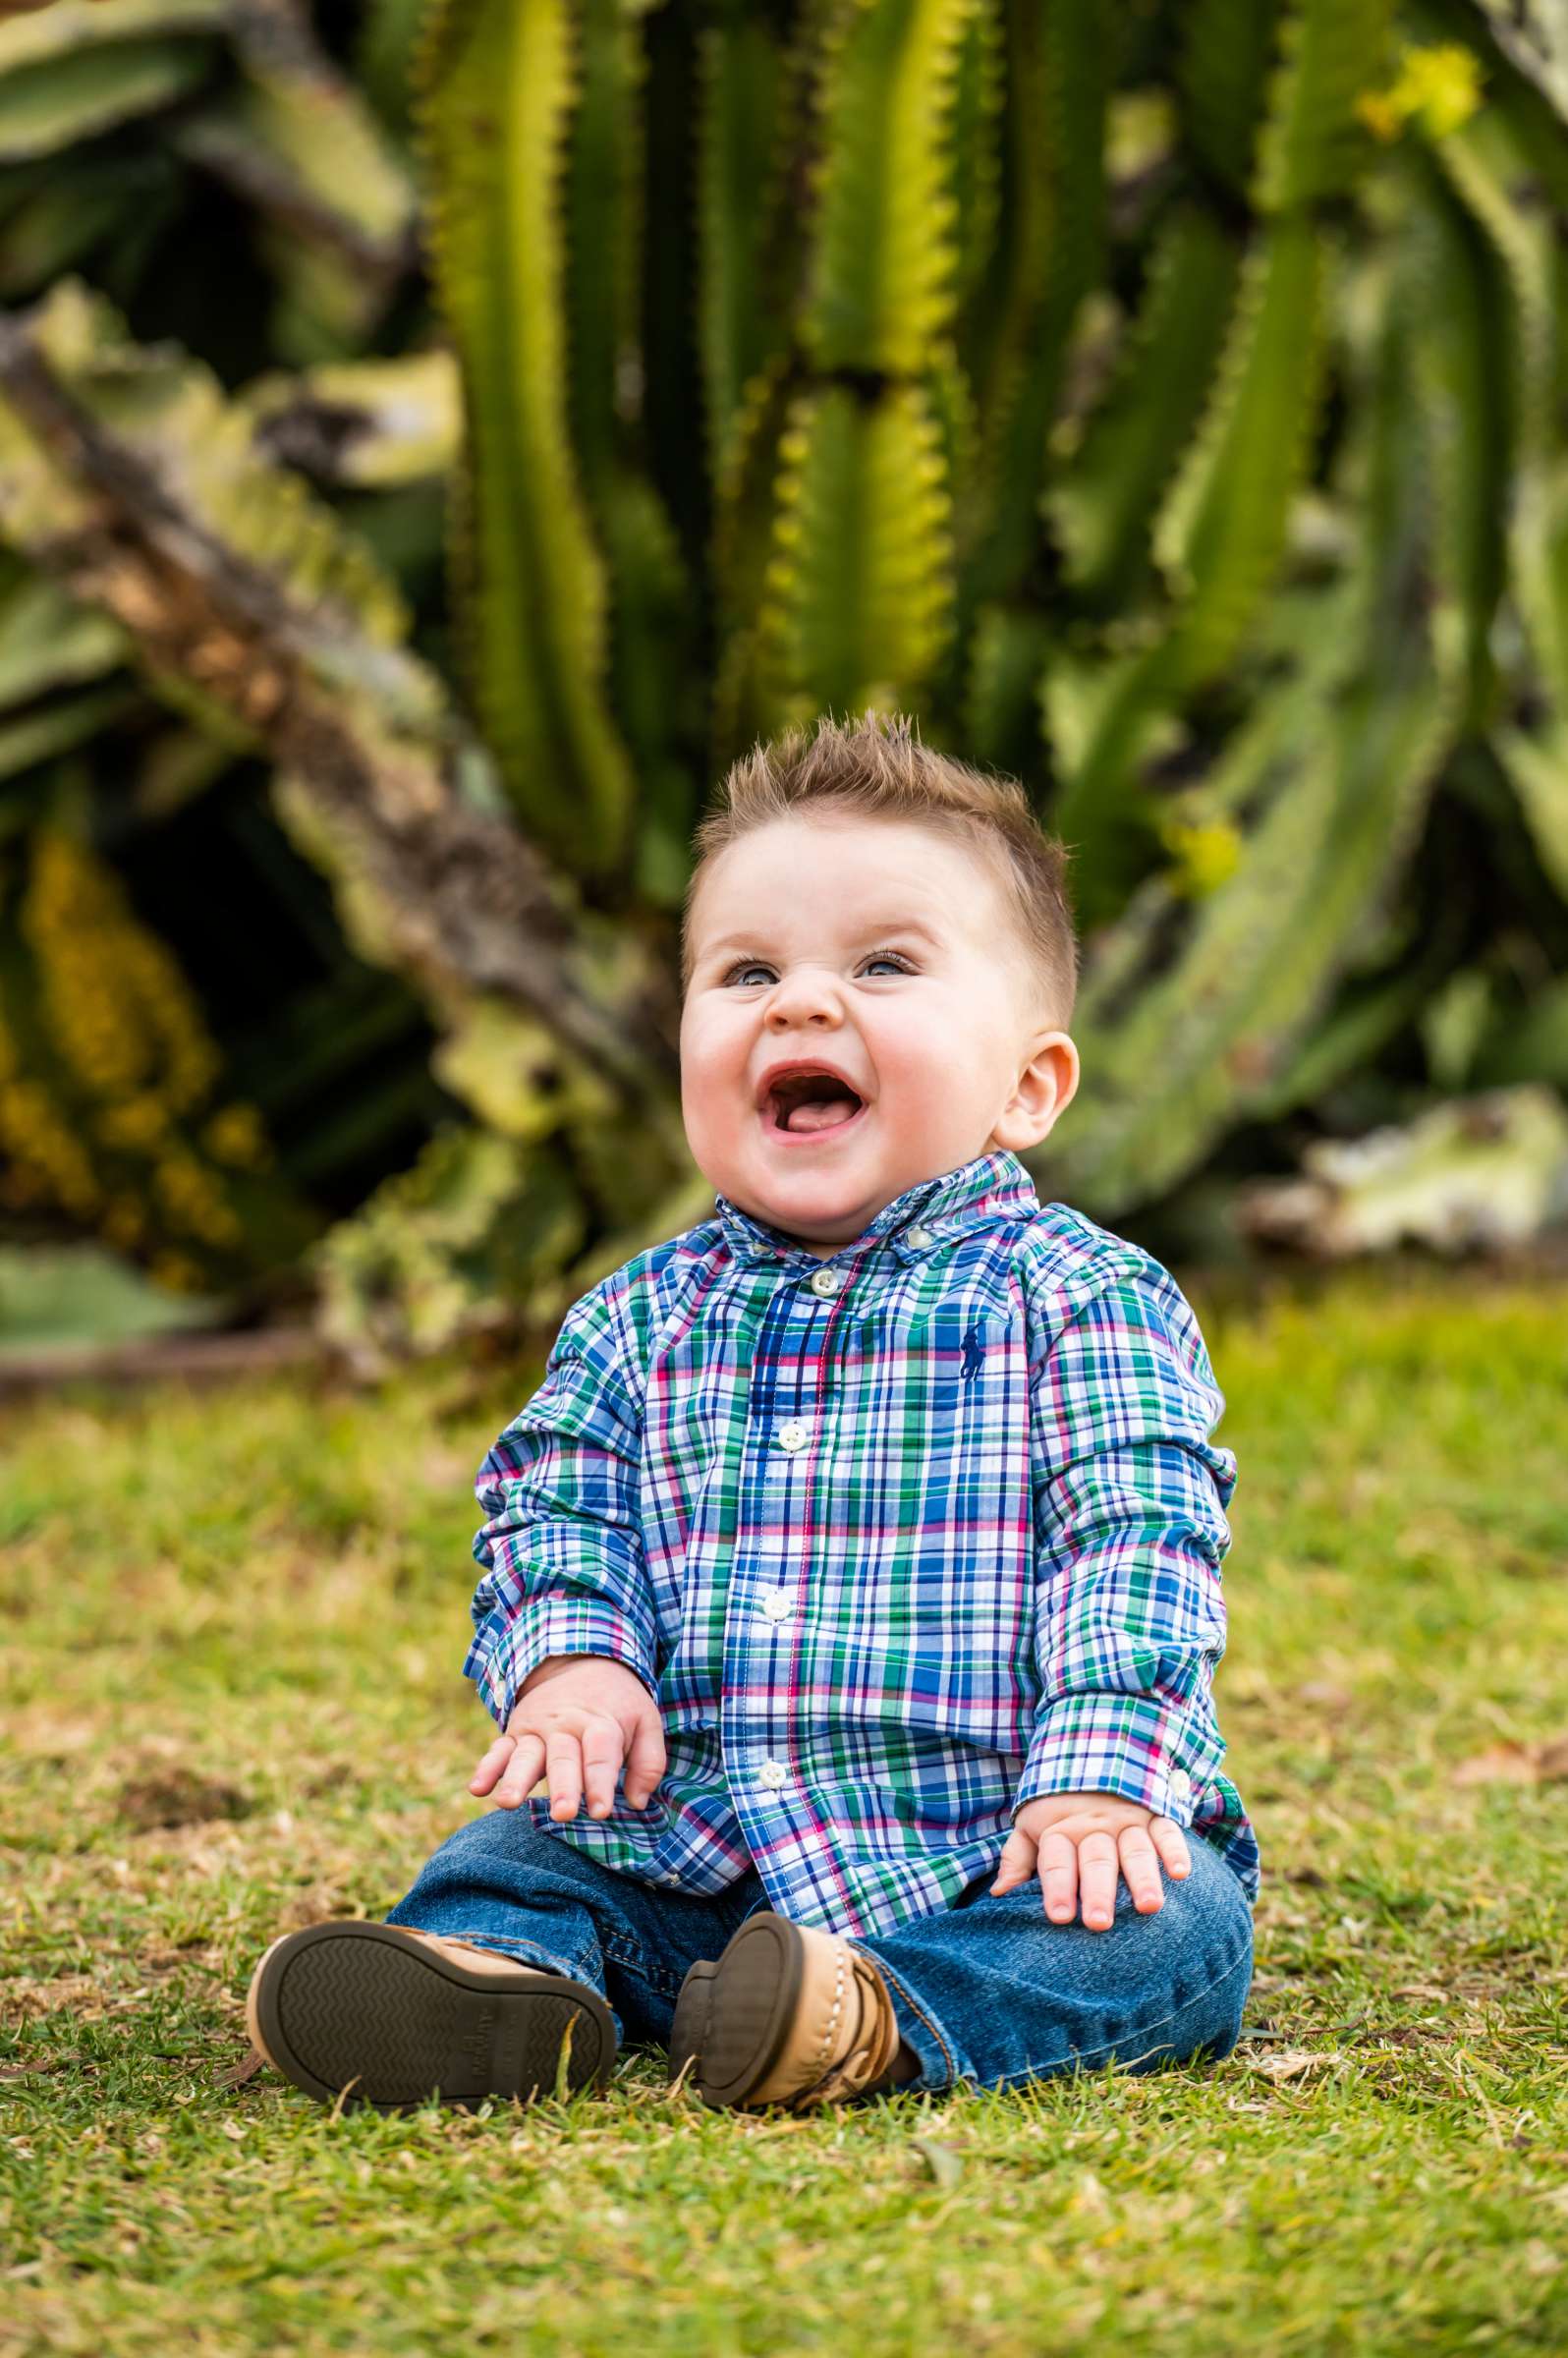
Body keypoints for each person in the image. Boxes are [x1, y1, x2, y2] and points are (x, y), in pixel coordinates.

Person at [245, 710, 1260, 2114]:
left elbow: (1140, 1536)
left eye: (885, 965)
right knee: (520, 1856)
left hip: (999, 1852)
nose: (798, 1002)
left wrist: (1096, 1777)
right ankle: (508, 1985)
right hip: (701, 1859)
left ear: (1029, 1085)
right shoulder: (636, 1318)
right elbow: (556, 1503)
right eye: (746, 972)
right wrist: (575, 1665)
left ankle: (877, 2020)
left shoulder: (1082, 1299)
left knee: (1176, 1927)